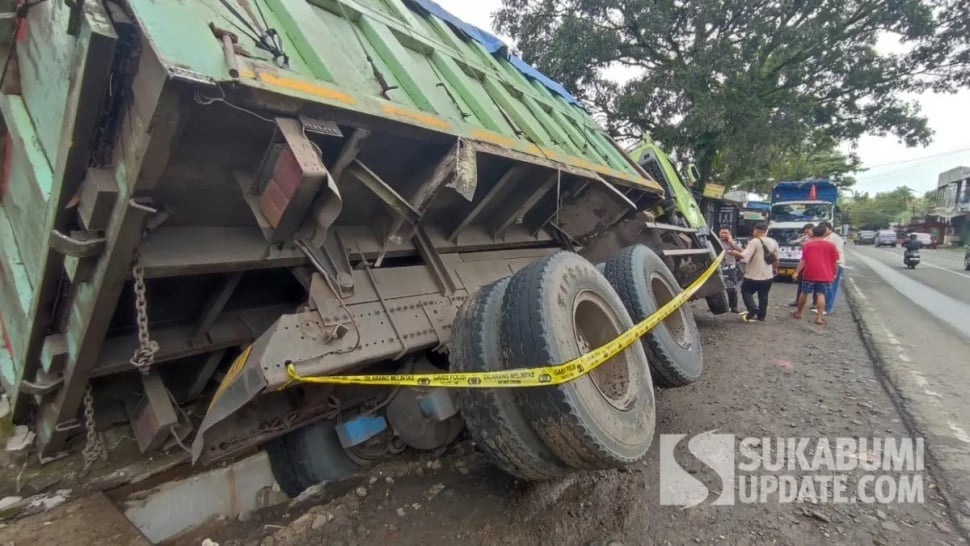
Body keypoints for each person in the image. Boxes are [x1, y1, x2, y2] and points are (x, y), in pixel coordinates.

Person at [728, 222, 778, 322]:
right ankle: (761, 316)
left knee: (746, 291)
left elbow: (745, 256)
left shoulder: (754, 242)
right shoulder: (773, 242)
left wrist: (735, 253)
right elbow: (776, 258)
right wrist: (775, 269)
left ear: (756, 230)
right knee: (763, 295)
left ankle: (753, 308)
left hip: (753, 275)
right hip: (767, 275)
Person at [793, 225, 840, 325]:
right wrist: (834, 273)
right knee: (821, 295)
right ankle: (819, 318)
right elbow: (835, 262)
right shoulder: (831, 246)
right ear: (824, 233)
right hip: (825, 274)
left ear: (813, 233)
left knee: (804, 292)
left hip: (809, 273)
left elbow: (803, 261)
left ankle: (799, 312)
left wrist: (796, 272)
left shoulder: (807, 245)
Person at [820, 221, 845, 315]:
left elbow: (837, 253)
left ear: (829, 228)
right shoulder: (826, 237)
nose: (823, 230)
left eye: (824, 229)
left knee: (832, 287)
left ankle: (828, 308)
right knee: (827, 286)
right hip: (829, 264)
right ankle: (824, 307)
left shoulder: (835, 238)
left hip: (836, 264)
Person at [788, 223, 816, 307]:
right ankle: (798, 300)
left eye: (808, 232)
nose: (807, 234)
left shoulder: (817, 239)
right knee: (801, 283)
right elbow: (796, 241)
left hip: (814, 263)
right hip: (804, 261)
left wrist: (804, 245)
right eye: (805, 232)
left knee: (816, 284)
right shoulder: (805, 237)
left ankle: (815, 302)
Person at [718, 227, 744, 313]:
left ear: (729, 234)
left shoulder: (734, 243)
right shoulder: (716, 242)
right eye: (722, 232)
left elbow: (742, 252)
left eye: (726, 233)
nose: (723, 234)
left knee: (731, 288)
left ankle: (733, 307)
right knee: (718, 289)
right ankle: (719, 307)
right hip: (719, 268)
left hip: (730, 268)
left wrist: (731, 242)